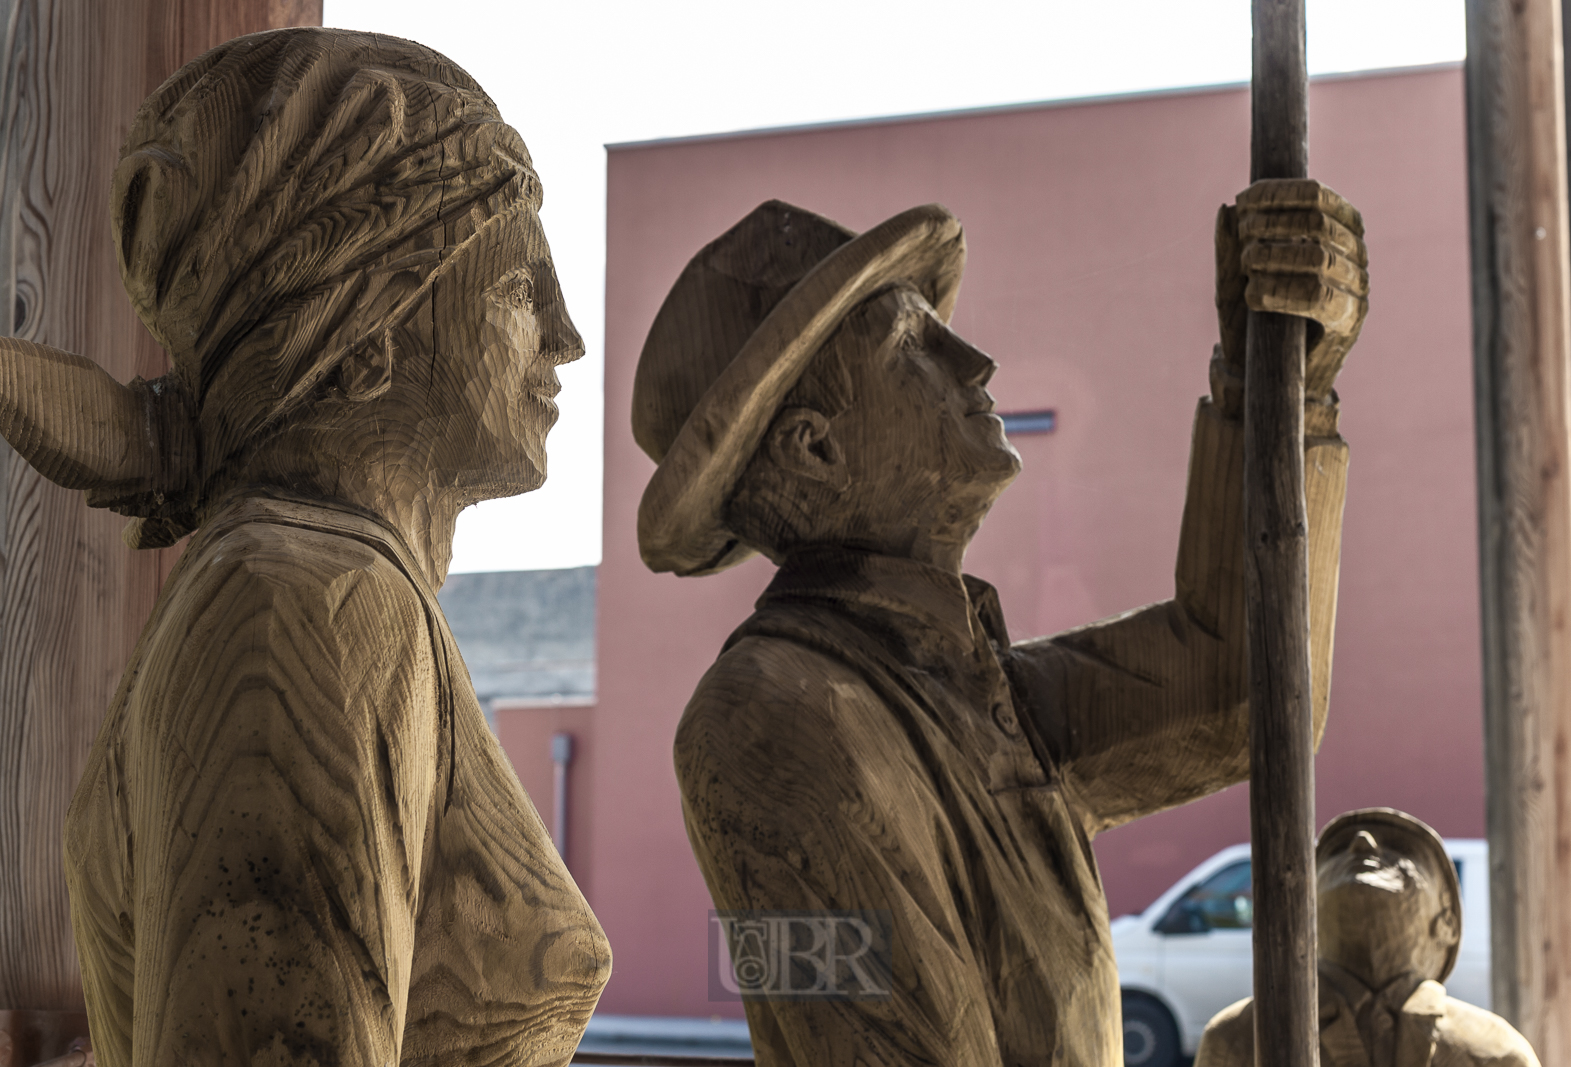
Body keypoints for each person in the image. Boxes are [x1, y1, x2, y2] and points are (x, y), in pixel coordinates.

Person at [631, 186, 1366, 1065]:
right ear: (813, 448)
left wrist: (1282, 383)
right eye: (914, 346)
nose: (975, 360)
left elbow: (1242, 687)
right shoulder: (767, 719)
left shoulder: (965, 681)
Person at [0, 29, 608, 1067]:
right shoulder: (309, 604)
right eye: (517, 291)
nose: (564, 336)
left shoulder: (321, 588)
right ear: (365, 324)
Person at [1195, 809, 1539, 1067]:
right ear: (1305, 913)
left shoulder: (1497, 1052)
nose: (1363, 843)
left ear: (1446, 923)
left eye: (1402, 851)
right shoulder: (1237, 1039)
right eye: (1335, 853)